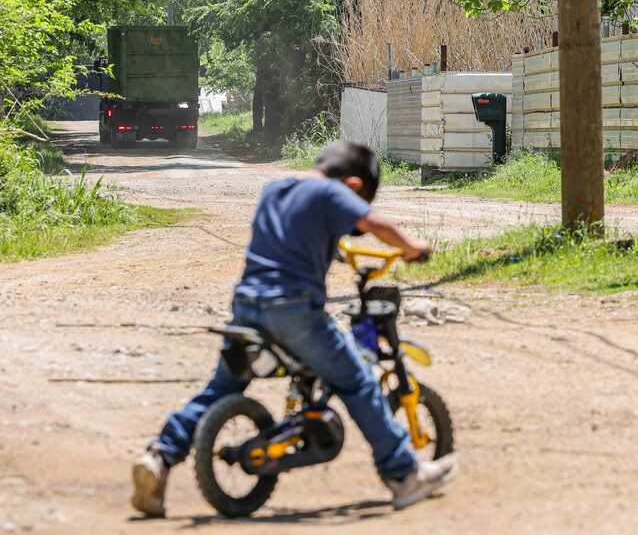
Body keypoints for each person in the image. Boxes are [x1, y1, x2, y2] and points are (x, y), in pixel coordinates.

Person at [131, 141, 456, 517]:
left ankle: (159, 456)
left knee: (220, 388)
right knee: (357, 380)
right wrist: (412, 246)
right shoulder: (333, 191)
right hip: (294, 310)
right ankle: (405, 475)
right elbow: (373, 224)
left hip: (246, 306)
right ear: (353, 185)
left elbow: (293, 234)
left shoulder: (275, 189)